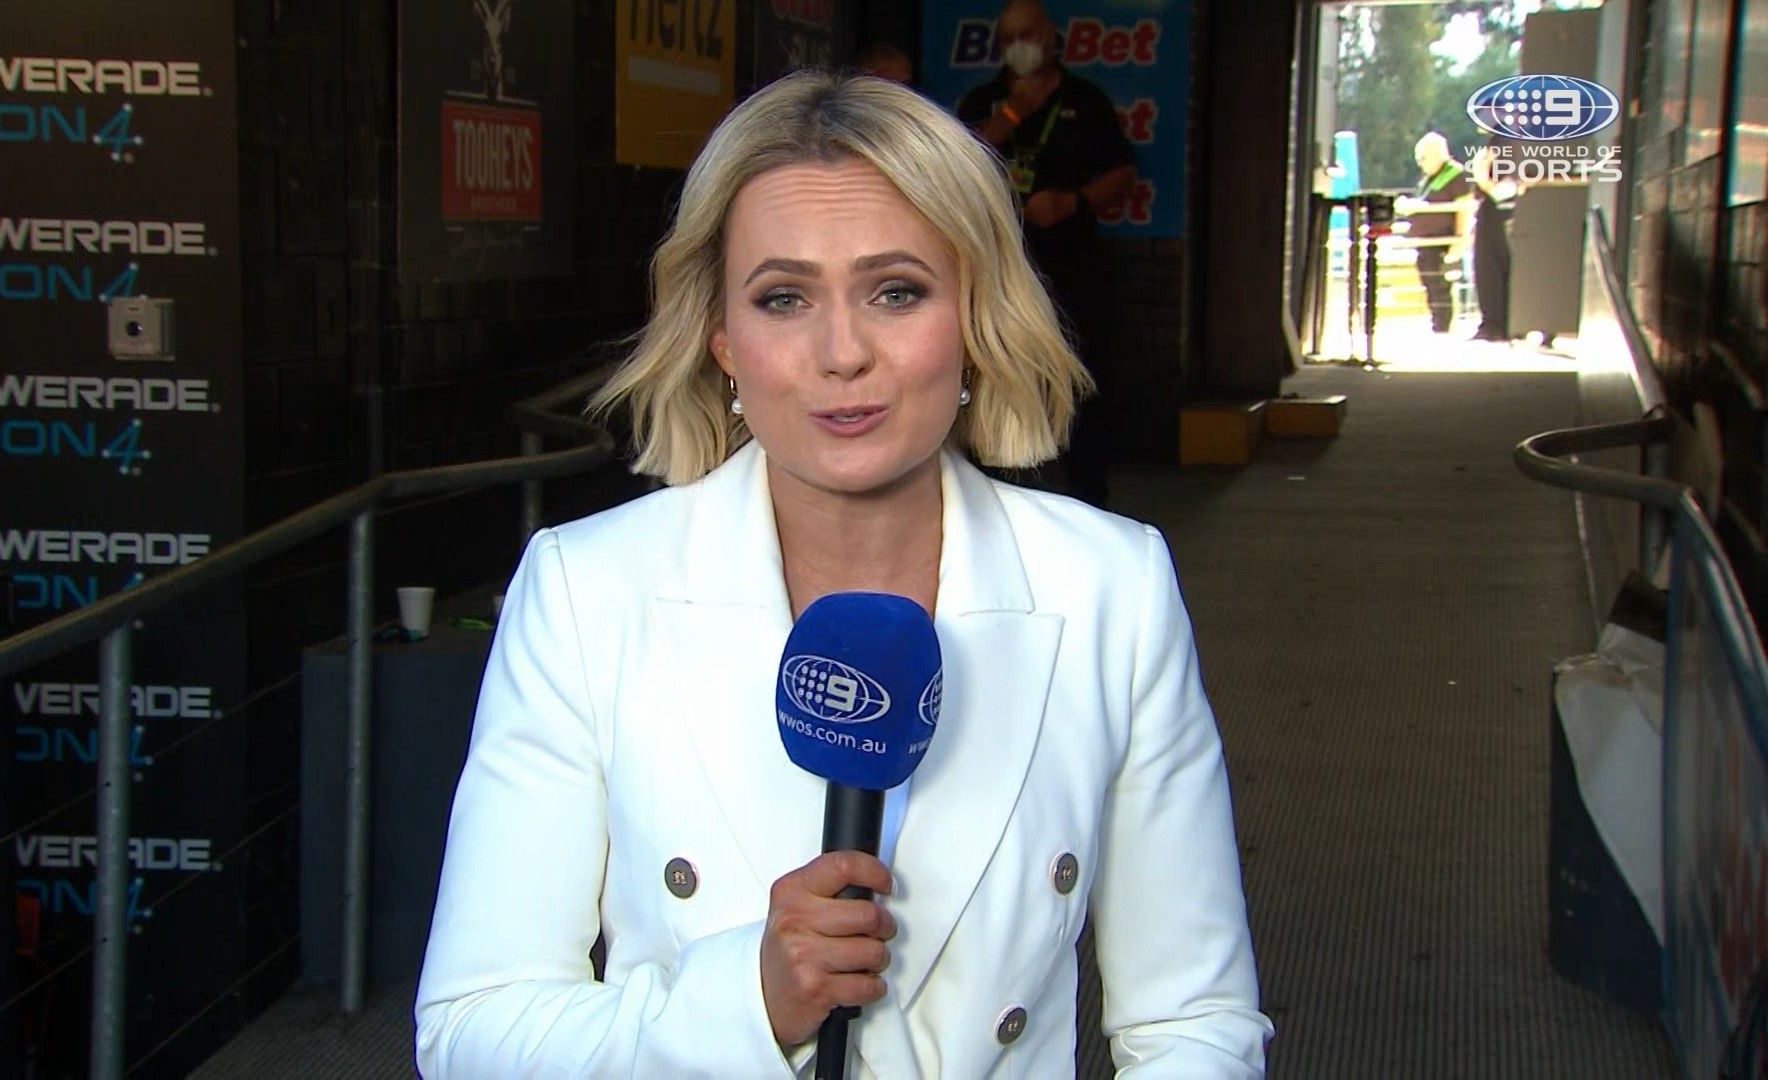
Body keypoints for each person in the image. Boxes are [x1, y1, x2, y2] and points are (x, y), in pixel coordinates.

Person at [413, 70, 1271, 1077]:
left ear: (974, 316)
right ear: (723, 340)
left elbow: (1194, 1024)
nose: (842, 352)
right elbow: (471, 1030)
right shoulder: (587, 592)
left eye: (895, 291)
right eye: (784, 298)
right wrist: (748, 1001)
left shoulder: (1110, 589)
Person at [954, 0, 1134, 506]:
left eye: (1028, 35)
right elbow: (957, 162)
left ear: (1051, 36)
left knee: (1080, 390)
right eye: (1009, 38)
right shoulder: (985, 100)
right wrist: (1013, 114)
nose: (1020, 47)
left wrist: (1073, 202)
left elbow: (1121, 174)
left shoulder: (1085, 100)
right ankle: (1001, 495)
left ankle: (1086, 501)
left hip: (1072, 271)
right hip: (998, 273)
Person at [1400, 132, 1471, 335]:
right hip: (1425, 241)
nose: (1420, 163)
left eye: (1423, 158)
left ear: (1437, 154)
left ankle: (1443, 326)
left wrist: (1459, 240)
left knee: (1440, 285)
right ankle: (1437, 323)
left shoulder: (1456, 175)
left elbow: (1464, 210)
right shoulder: (1429, 178)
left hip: (1442, 241)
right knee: (1430, 284)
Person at [1466, 141, 1517, 342]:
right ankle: (1494, 323)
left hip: (1504, 206)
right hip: (1492, 210)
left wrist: (1484, 179)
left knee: (1498, 268)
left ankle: (1501, 324)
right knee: (1488, 268)